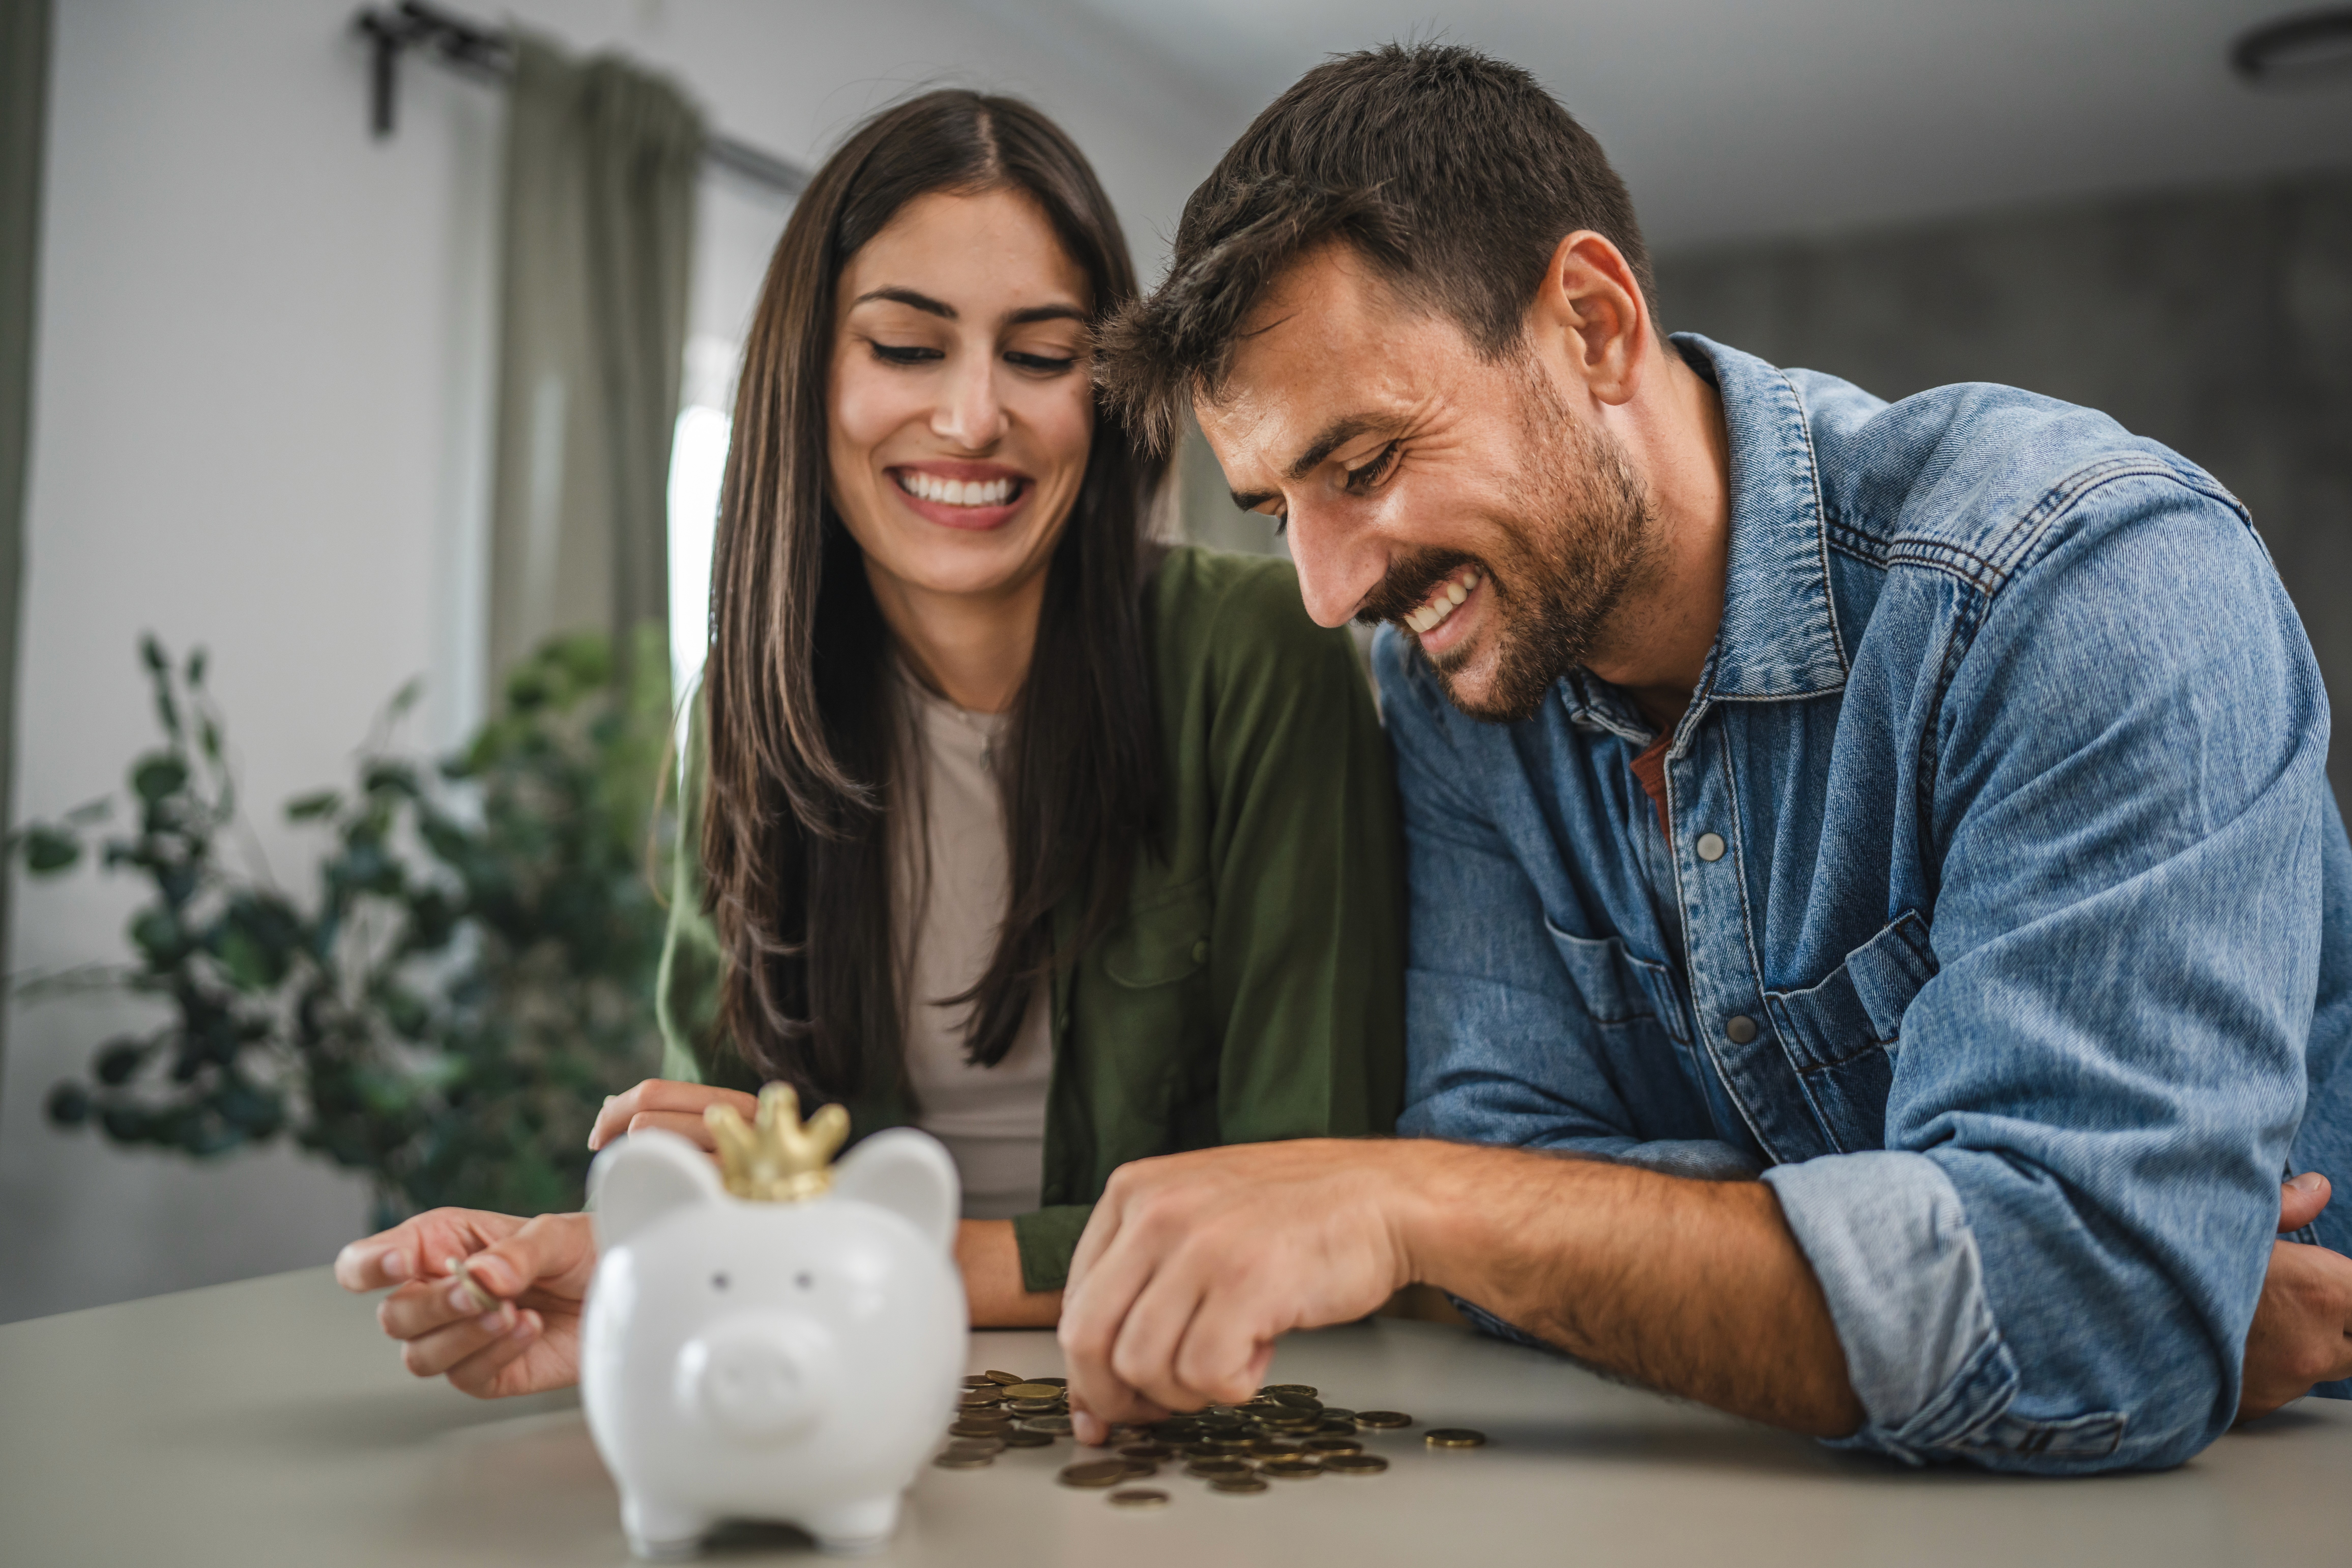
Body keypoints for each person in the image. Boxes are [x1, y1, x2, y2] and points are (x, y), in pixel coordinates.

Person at [1060, 43, 2352, 1473]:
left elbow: (2101, 1320)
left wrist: (1424, 1206)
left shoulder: (2080, 579)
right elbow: (1508, 1151)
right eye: (1276, 509)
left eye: (1362, 466)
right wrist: (2005, 1261)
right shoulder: (1451, 691)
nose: (1323, 588)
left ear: (1595, 326)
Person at [332, 89, 1402, 1396]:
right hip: (827, 1385)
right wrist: (619, 1265)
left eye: (1041, 356)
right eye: (905, 346)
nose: (971, 418)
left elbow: (1309, 1197)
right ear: (810, 376)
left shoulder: (1262, 656)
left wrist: (852, 1249)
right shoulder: (743, 715)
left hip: (1189, 1401)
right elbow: (718, 1173)